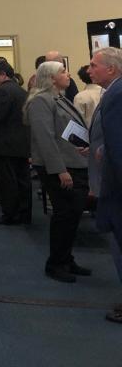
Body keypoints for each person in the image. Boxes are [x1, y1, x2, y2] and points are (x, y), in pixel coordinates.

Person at [26, 61, 91, 283]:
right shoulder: (40, 101)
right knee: (64, 215)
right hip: (60, 167)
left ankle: (66, 258)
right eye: (63, 71)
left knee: (72, 216)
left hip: (73, 163)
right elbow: (45, 138)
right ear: (51, 77)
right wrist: (60, 170)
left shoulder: (59, 98)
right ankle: (56, 263)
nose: (68, 74)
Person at [89, 48, 122, 323]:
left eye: (94, 65)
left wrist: (108, 154)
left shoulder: (117, 94)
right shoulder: (113, 92)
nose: (89, 70)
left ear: (111, 69)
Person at [0, 58, 30, 225]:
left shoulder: (2, 91)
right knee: (22, 180)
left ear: (2, 75)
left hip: (5, 144)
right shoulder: (20, 90)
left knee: (8, 181)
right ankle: (24, 213)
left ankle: (10, 214)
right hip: (21, 143)